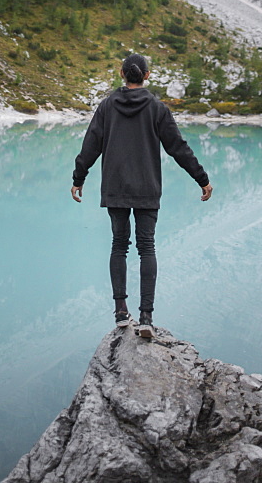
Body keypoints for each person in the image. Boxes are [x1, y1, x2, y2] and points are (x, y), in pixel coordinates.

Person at [71, 52, 213, 338]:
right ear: (146, 75)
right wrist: (202, 179)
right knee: (146, 247)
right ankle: (147, 317)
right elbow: (178, 147)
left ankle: (121, 312)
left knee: (119, 245)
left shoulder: (106, 106)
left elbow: (91, 145)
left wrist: (79, 177)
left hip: (115, 187)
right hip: (147, 187)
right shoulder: (157, 108)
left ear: (122, 74)